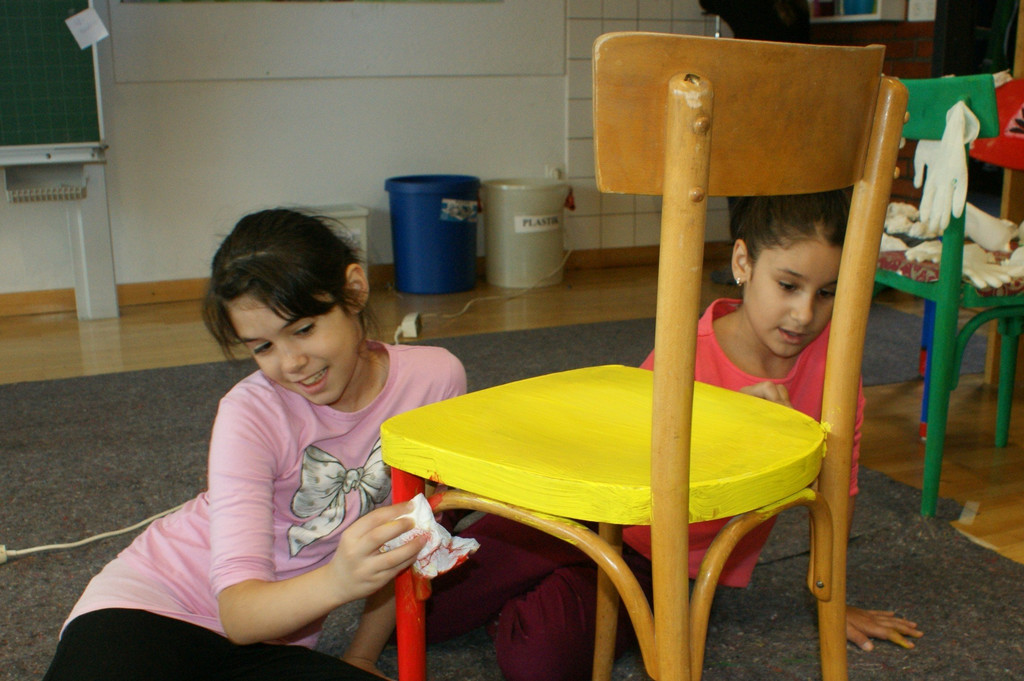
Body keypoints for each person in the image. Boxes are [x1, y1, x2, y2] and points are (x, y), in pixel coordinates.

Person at [425, 191, 923, 681]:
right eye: (788, 285)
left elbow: (838, 486)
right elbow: (616, 468)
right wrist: (722, 428)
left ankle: (541, 584)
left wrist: (830, 602)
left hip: (662, 568)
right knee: (423, 610)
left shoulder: (836, 368)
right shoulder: (686, 354)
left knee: (538, 662)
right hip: (587, 512)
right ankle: (491, 534)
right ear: (743, 263)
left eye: (827, 293)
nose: (804, 314)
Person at [42, 208, 467, 681]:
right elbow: (239, 615)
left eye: (303, 329)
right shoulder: (250, 413)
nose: (292, 362)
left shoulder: (435, 380)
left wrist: (362, 657)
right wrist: (338, 580)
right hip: (151, 610)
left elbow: (410, 536)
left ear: (353, 289)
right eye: (262, 347)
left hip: (272, 640)